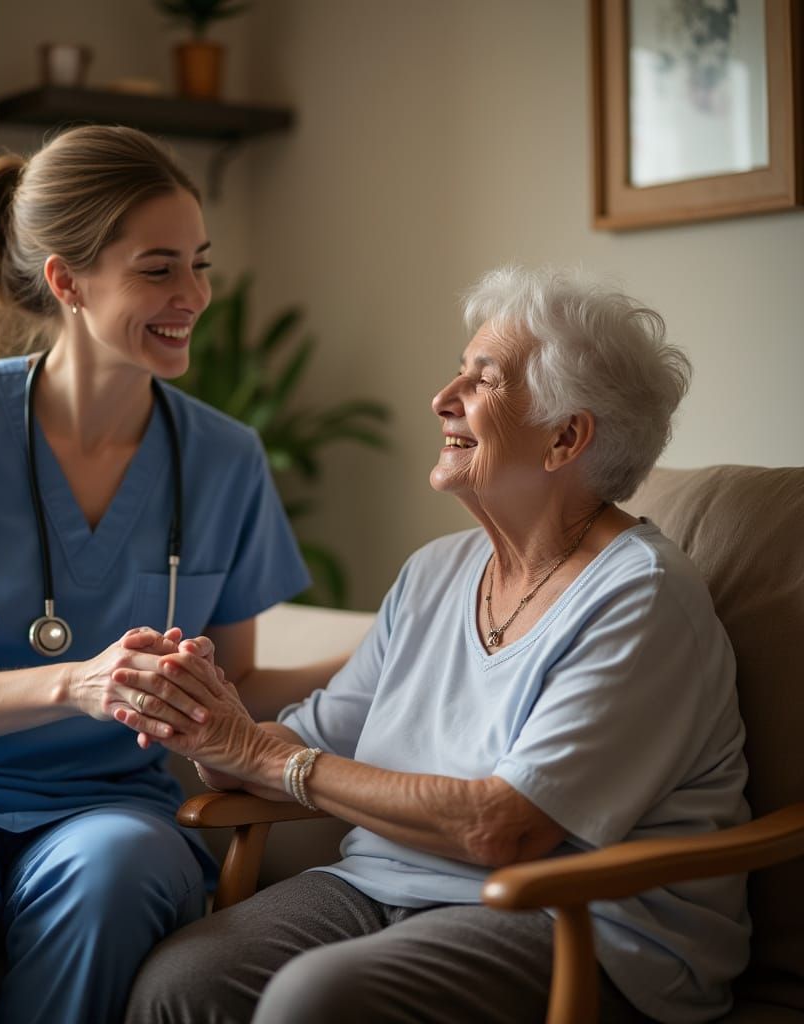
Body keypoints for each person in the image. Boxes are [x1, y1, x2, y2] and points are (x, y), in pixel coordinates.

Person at [0, 125, 345, 1024]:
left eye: (199, 264)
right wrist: (76, 684)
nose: (193, 296)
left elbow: (230, 686)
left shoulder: (225, 458)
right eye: (158, 269)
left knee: (114, 879)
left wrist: (390, 650)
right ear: (67, 282)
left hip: (113, 804)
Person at [120, 266, 750, 1024]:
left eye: (482, 381)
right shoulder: (434, 574)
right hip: (386, 887)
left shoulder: (640, 596)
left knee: (314, 1001)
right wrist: (207, 721)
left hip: (577, 921)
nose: (442, 398)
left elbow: (505, 827)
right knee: (183, 977)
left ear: (565, 438)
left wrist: (271, 759)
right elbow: (315, 740)